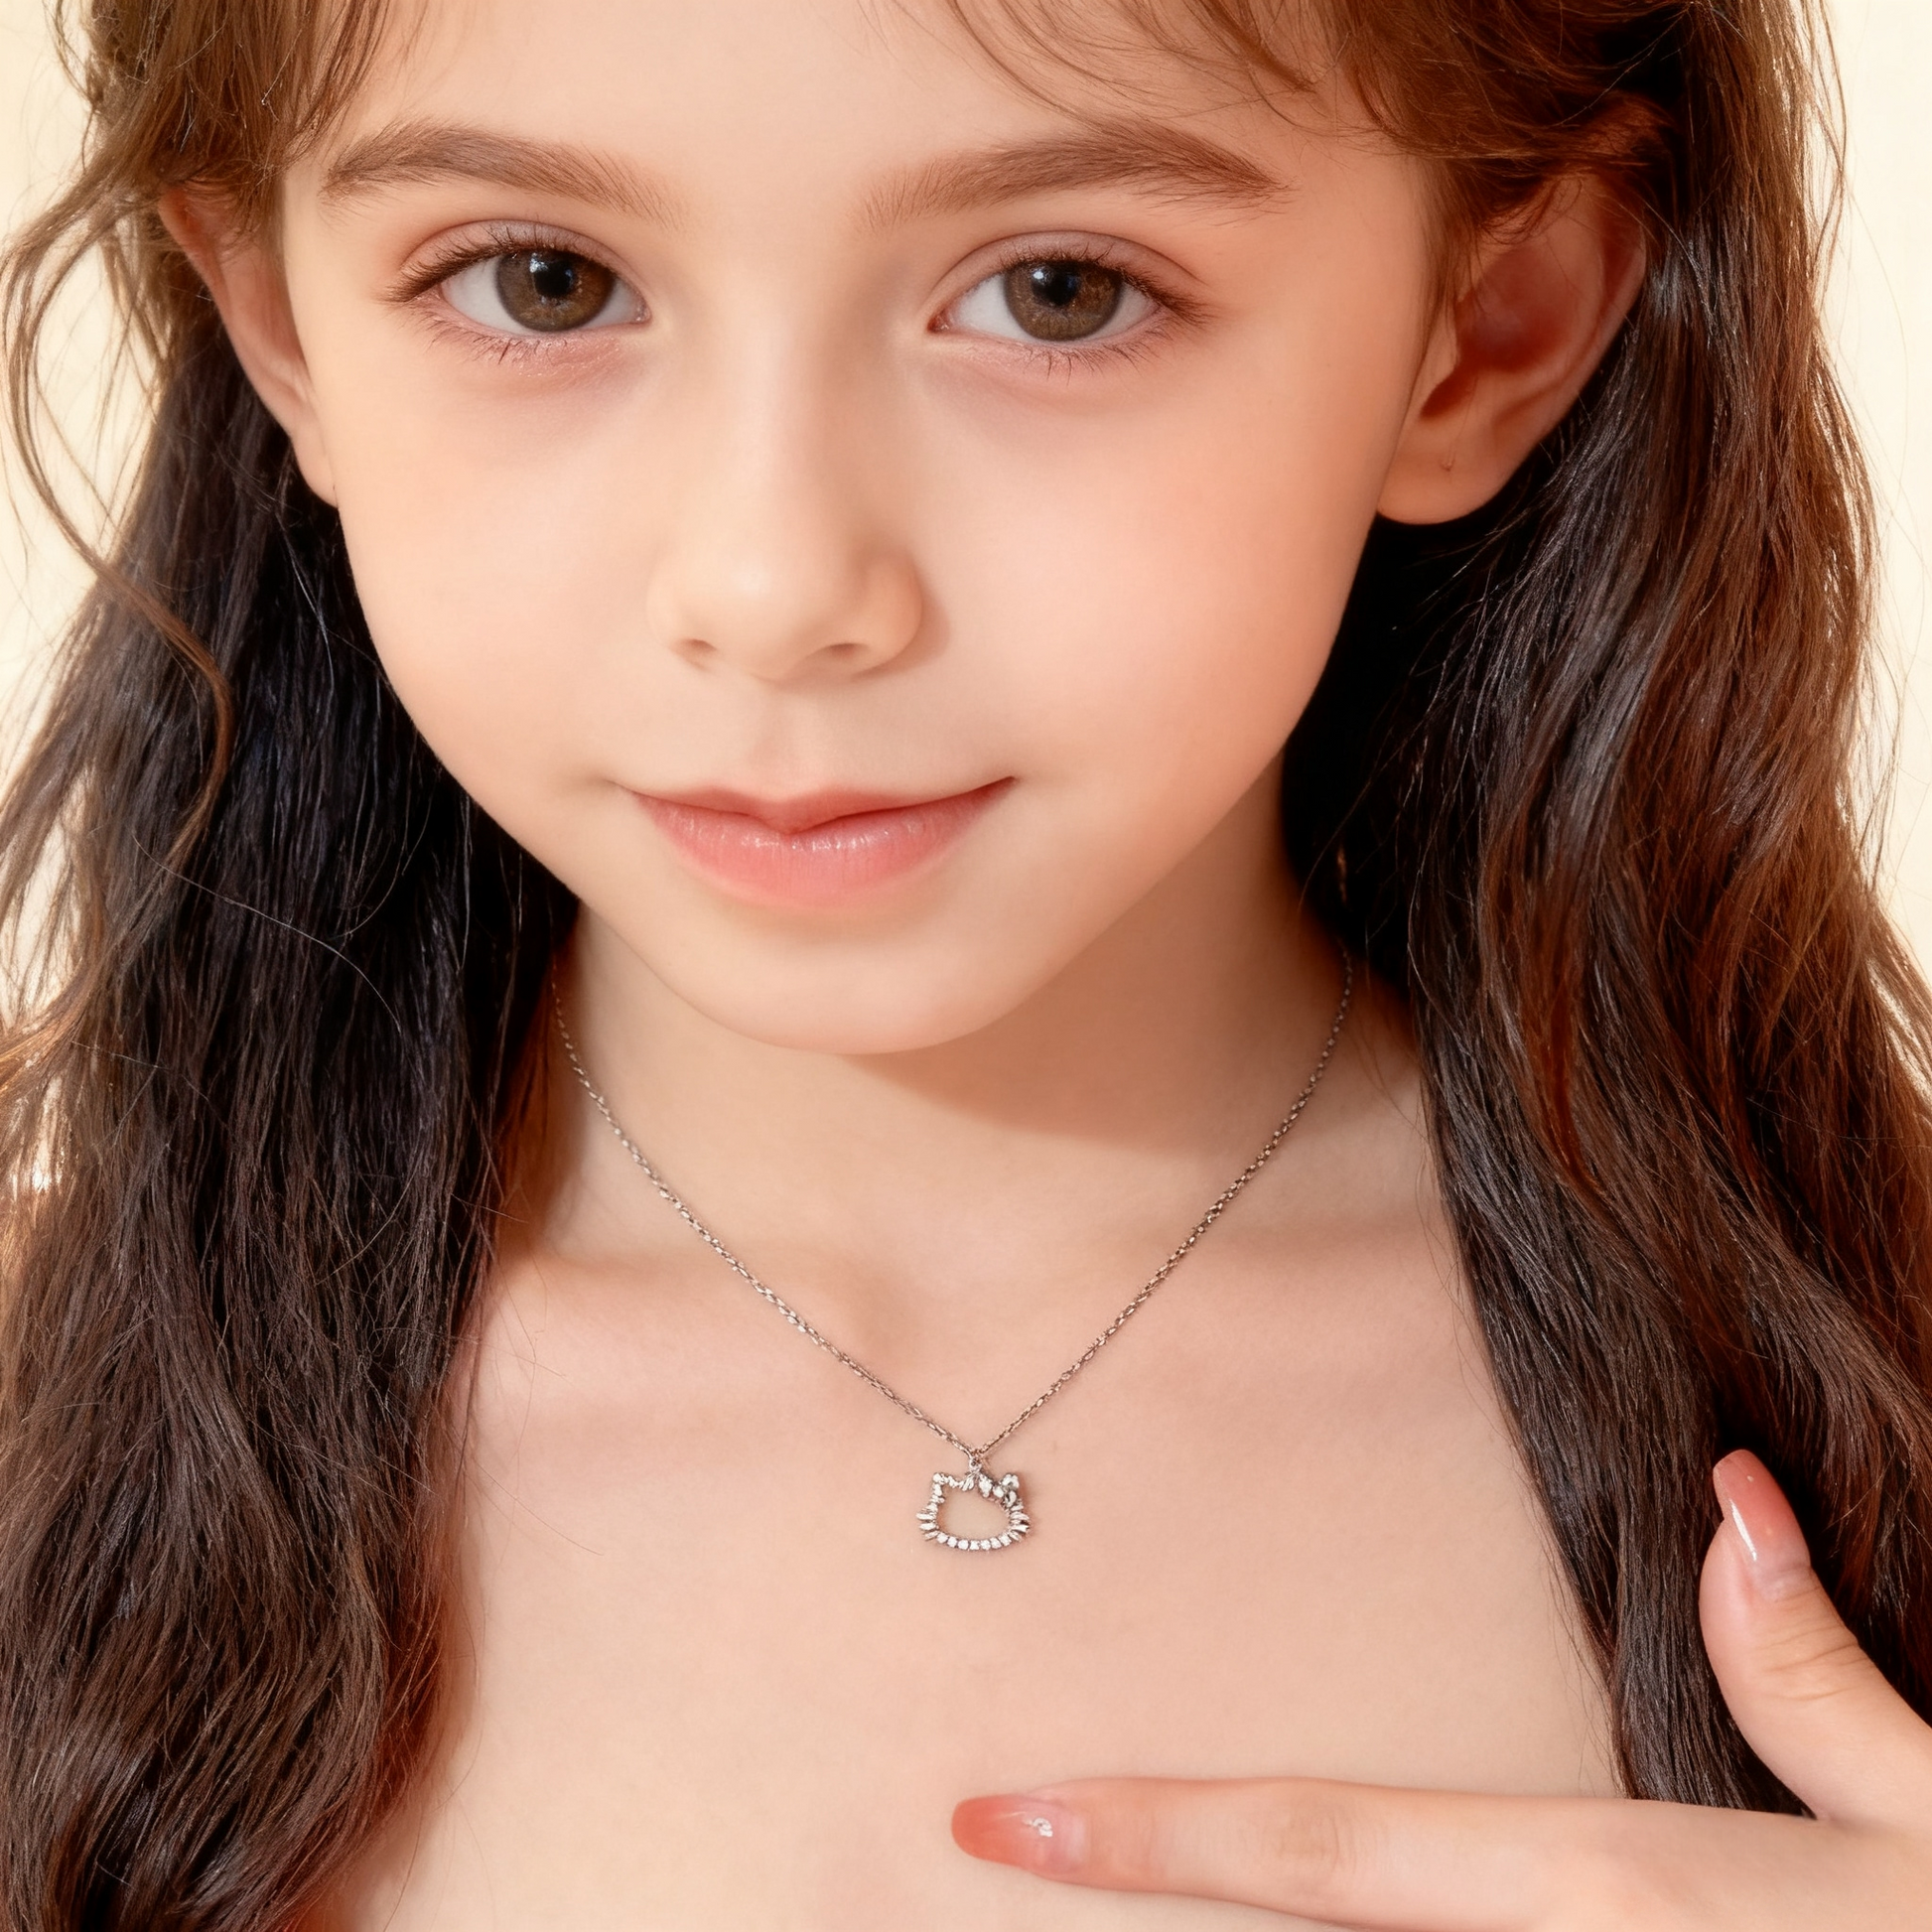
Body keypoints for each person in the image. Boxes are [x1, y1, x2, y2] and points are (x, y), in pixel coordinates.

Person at [2, 0, 1929, 1924]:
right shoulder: (43, 1427)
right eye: (546, 279)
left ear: (1483, 327)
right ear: (278, 326)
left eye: (1061, 293)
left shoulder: (1867, 1410)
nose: (774, 587)